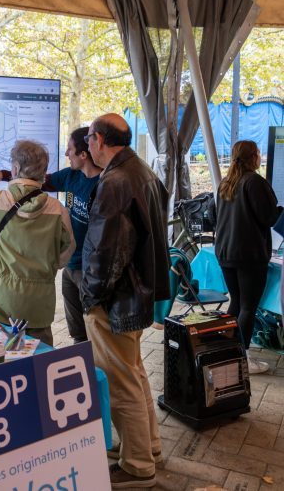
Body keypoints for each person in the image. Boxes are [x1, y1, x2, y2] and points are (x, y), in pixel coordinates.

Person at [80, 113, 170, 489]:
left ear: (100, 139)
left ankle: (137, 465)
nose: (87, 146)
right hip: (138, 292)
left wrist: (91, 295)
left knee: (120, 381)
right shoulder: (141, 171)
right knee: (133, 372)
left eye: (88, 139)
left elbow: (105, 251)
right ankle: (147, 446)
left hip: (116, 299)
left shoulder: (115, 181)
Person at [0, 127, 101, 343]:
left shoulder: (104, 185)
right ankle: (84, 367)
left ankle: (99, 370)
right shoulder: (71, 176)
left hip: (91, 268)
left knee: (96, 330)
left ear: (83, 154)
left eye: (70, 149)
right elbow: (42, 181)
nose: (66, 154)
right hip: (71, 267)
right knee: (77, 332)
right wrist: (5, 175)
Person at [0, 140, 75, 346]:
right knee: (38, 360)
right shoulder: (57, 209)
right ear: (43, 171)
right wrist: (47, 267)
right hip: (38, 304)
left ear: (14, 169)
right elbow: (68, 249)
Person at [215, 140, 282, 375]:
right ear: (254, 156)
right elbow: (268, 217)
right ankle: (242, 358)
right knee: (248, 307)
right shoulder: (254, 181)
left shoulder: (226, 182)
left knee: (236, 302)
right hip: (249, 255)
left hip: (226, 252)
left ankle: (225, 351)